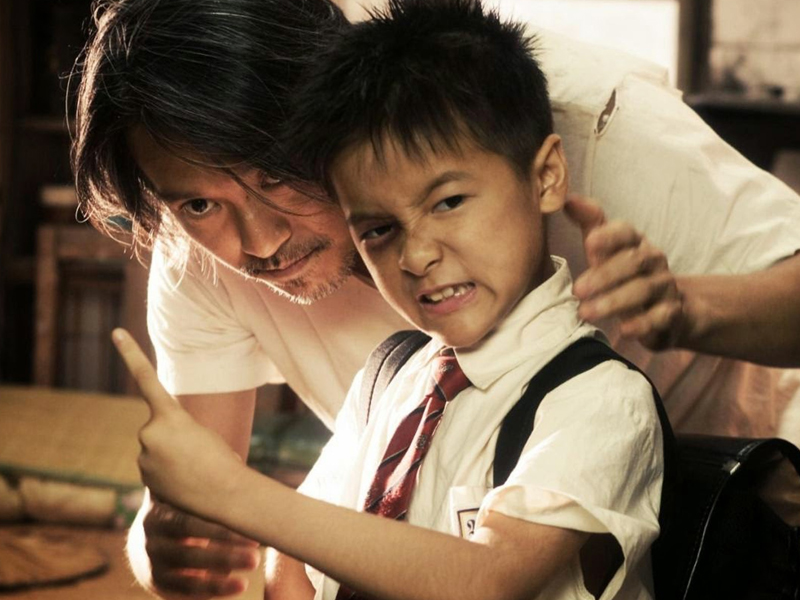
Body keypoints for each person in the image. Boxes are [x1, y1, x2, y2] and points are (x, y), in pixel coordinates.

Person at [72, 0, 800, 596]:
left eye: (274, 174)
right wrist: (174, 540)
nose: (259, 243)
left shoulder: (559, 125)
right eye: (198, 205)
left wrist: (688, 311)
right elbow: (226, 531)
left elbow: (485, 581)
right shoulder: (390, 374)